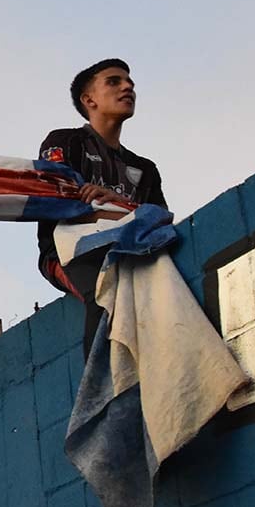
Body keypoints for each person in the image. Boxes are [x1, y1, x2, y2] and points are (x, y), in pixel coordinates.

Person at [37, 58, 167, 353]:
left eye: (130, 82)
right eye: (114, 81)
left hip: (131, 251)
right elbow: (53, 198)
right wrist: (124, 212)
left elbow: (160, 221)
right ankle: (102, 398)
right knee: (106, 298)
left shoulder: (145, 168)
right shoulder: (65, 141)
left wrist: (116, 204)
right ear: (89, 99)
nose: (128, 87)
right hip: (70, 253)